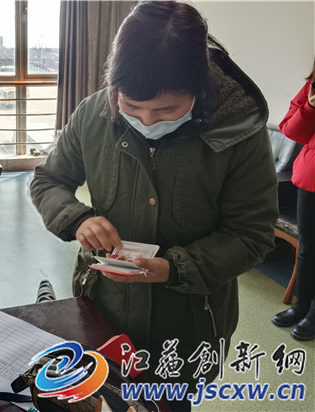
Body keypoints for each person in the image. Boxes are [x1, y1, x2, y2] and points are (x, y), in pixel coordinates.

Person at [30, 1, 278, 410]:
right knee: (100, 398)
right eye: (131, 106)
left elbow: (251, 234)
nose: (146, 121)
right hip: (103, 307)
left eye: (166, 110)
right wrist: (77, 219)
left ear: (198, 88)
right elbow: (48, 180)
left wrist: (173, 268)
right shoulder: (93, 113)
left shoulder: (237, 131)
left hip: (186, 322)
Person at [272, 60, 315, 341]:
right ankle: (302, 306)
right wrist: (310, 107)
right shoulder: (311, 87)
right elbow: (291, 130)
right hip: (310, 180)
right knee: (307, 250)